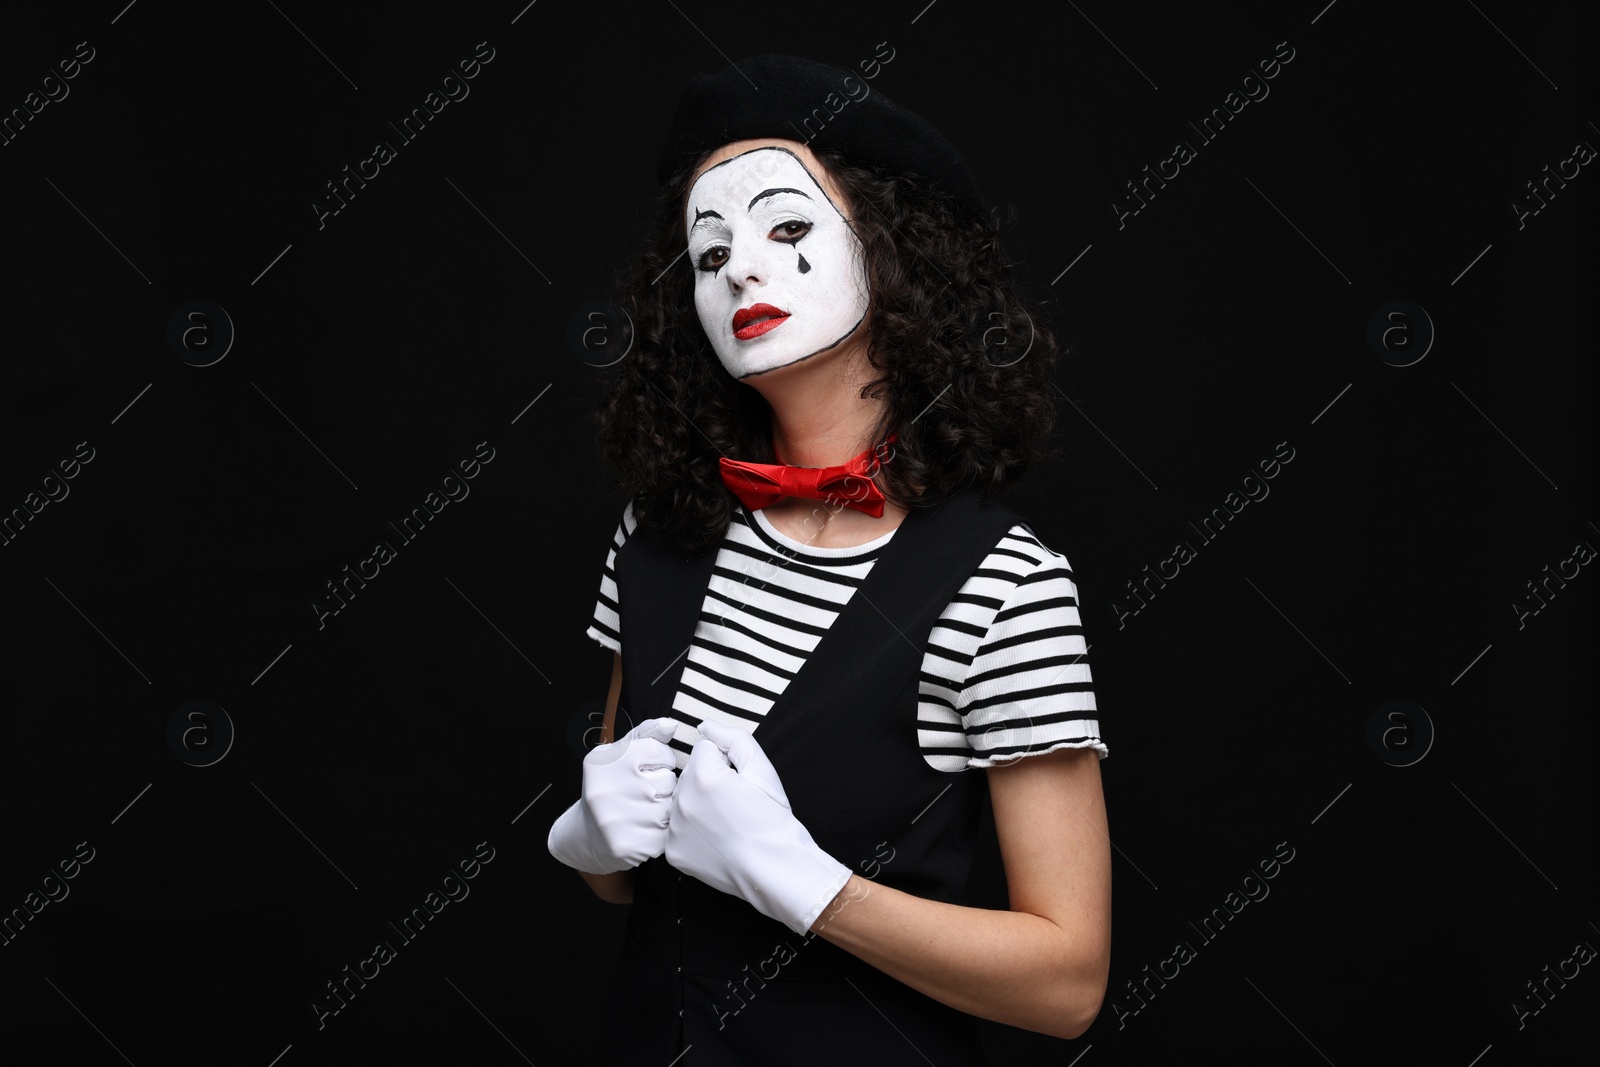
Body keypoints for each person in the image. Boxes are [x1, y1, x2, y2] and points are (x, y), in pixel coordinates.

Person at [548, 53, 1111, 1064]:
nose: (741, 270)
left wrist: (805, 883)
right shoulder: (656, 536)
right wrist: (587, 837)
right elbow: (624, 868)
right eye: (709, 254)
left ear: (899, 257)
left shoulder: (1006, 586)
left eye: (789, 227)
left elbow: (1065, 983)